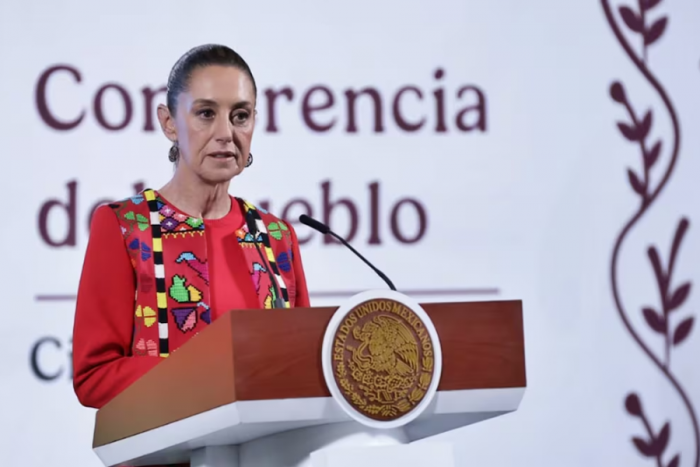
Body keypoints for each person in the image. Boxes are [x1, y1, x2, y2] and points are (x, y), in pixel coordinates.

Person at [72, 44, 311, 420]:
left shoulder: (276, 237)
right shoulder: (125, 227)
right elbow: (94, 376)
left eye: (240, 116)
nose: (226, 133)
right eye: (205, 113)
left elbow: (302, 369)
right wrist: (210, 374)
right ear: (169, 123)